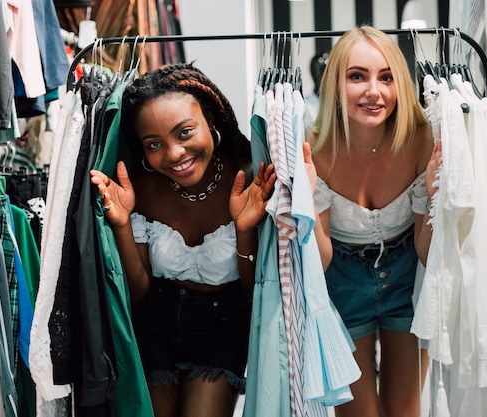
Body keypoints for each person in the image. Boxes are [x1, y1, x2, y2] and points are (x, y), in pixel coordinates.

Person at [90, 63, 276, 417]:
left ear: (210, 120)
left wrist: (245, 229)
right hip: (155, 323)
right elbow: (139, 291)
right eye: (154, 144)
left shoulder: (251, 175)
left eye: (185, 132)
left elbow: (256, 291)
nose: (174, 154)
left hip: (225, 327)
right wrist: (122, 224)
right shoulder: (139, 188)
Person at [307, 26, 441, 417]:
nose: (374, 91)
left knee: (405, 411)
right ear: (335, 82)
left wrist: (435, 197)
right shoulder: (313, 148)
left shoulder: (422, 139)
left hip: (407, 279)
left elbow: (429, 253)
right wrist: (307, 203)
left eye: (386, 77)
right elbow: (319, 261)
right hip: (342, 285)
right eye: (357, 76)